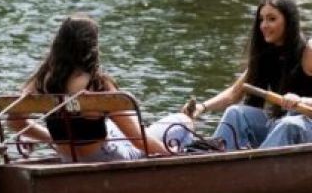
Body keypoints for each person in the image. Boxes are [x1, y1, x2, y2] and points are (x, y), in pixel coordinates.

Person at [12, 13, 193, 162]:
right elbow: (139, 142)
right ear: (92, 48)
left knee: (110, 124)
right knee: (183, 122)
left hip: (67, 157)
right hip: (108, 158)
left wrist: (52, 139)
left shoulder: (42, 80)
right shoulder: (98, 85)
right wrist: (172, 154)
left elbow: (15, 121)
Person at [183, 0, 312, 150]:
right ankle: (218, 161)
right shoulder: (267, 53)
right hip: (282, 124)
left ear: (289, 21)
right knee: (236, 113)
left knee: (289, 124)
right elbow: (234, 94)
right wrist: (201, 107)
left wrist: (300, 101)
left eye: (272, 19)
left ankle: (254, 168)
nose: (264, 25)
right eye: (262, 20)